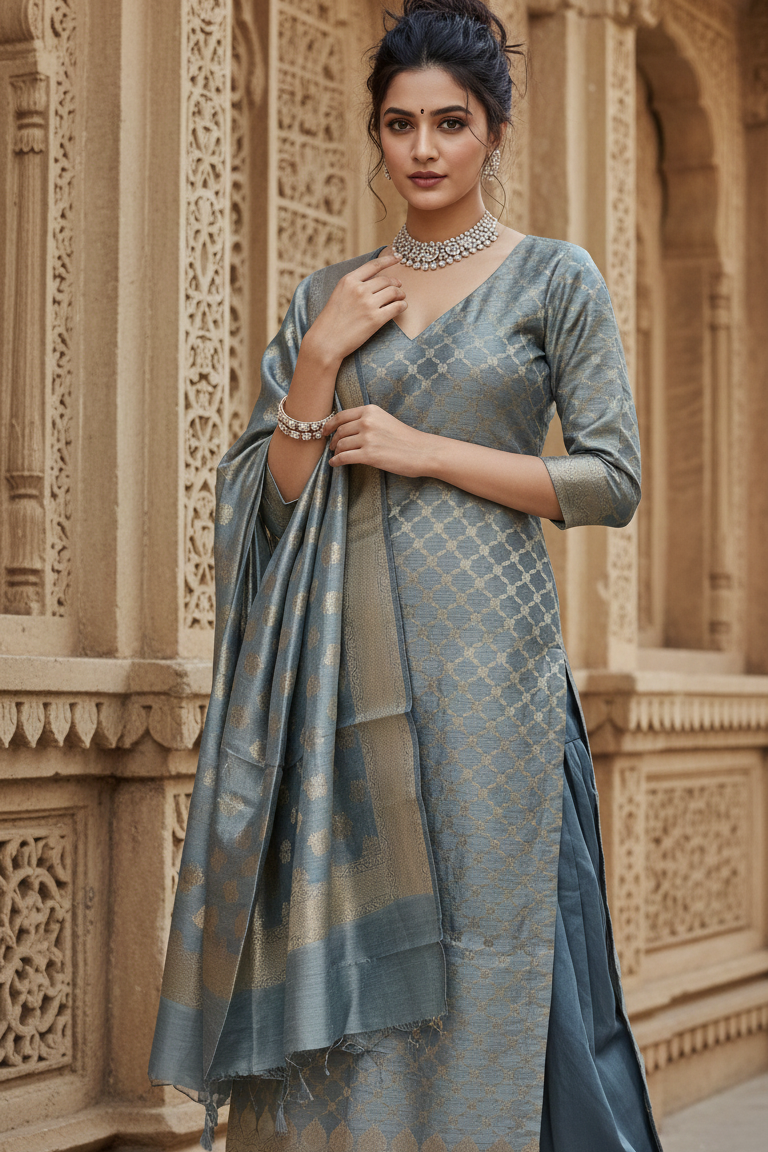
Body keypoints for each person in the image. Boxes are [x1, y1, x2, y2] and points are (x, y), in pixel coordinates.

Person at [149, 2, 664, 1149]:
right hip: (348, 691)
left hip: (497, 684)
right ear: (375, 136)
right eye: (399, 124)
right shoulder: (330, 296)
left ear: (493, 132)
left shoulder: (552, 279)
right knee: (361, 970)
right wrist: (322, 356)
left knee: (495, 953)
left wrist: (424, 450)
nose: (423, 149)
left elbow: (612, 480)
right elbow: (264, 507)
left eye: (450, 122)